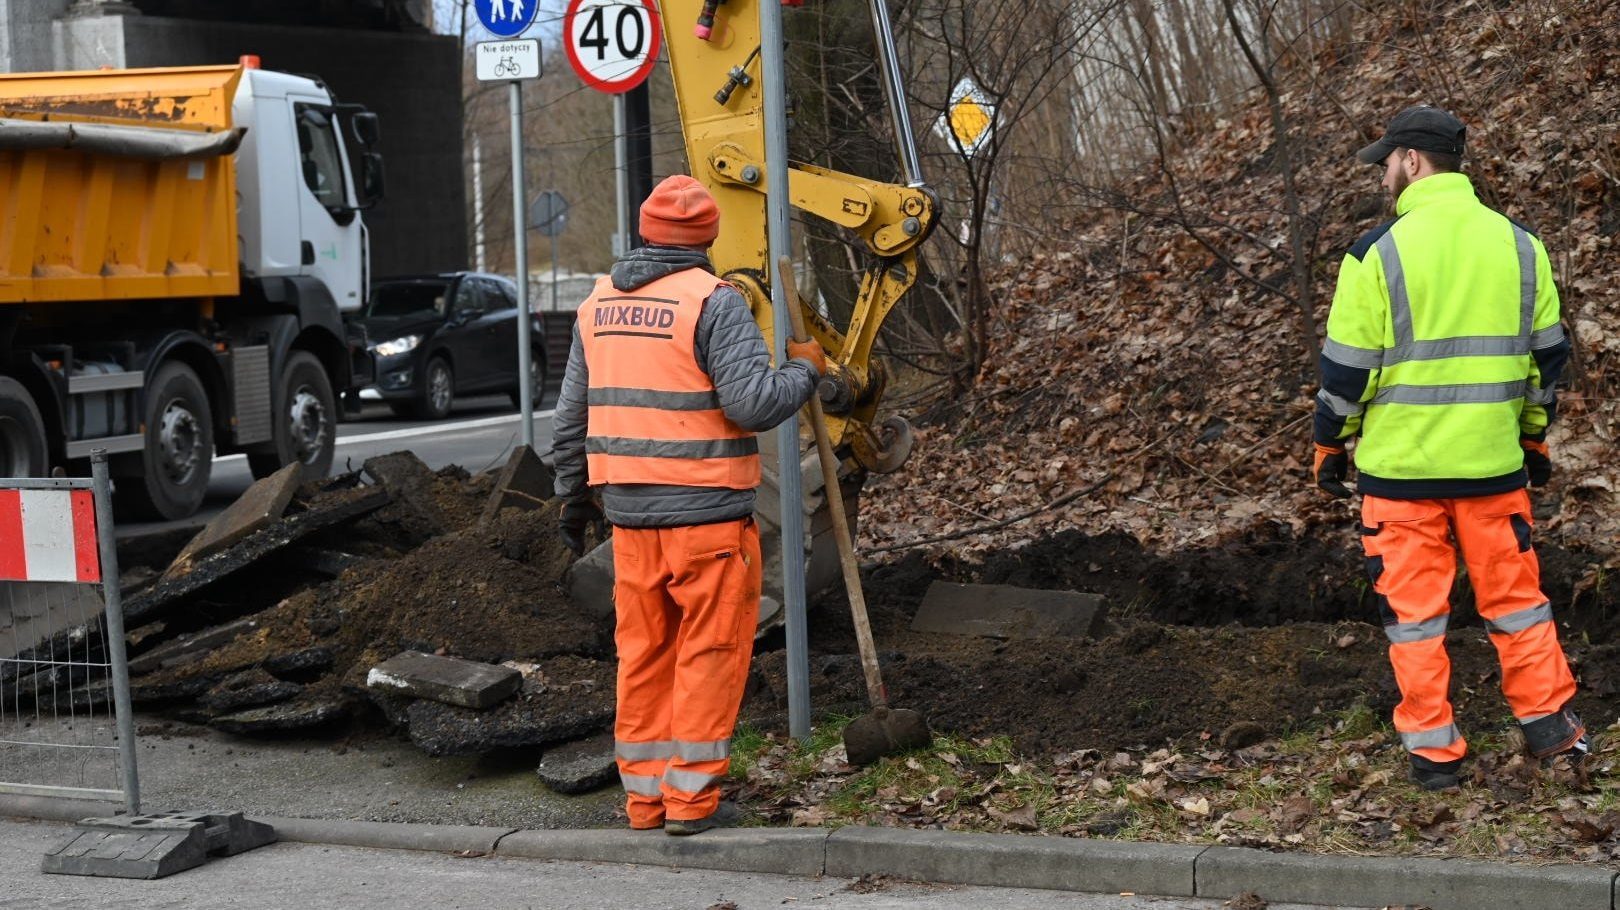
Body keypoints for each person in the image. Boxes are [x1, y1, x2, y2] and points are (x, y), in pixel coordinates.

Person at [1311, 105, 1584, 790]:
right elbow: (1546, 362)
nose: (1385, 177)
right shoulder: (1521, 246)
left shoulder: (1376, 252)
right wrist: (1531, 435)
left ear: (1411, 161)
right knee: (1518, 604)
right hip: (1493, 469)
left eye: (1388, 163)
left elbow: (1345, 374)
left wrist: (1330, 446)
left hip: (1401, 478)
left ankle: (1435, 756)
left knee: (1415, 620)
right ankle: (1551, 729)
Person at [551, 175, 826, 833]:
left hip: (630, 521)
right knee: (708, 654)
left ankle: (645, 801)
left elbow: (569, 416)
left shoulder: (598, 304)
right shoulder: (713, 301)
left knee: (644, 655)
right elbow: (753, 404)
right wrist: (806, 369)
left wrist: (571, 496)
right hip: (707, 519)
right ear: (707, 237)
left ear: (644, 233)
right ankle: (692, 803)